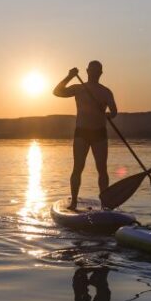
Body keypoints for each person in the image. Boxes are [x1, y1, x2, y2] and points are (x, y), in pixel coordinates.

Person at [53, 61, 117, 209]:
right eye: (92, 71)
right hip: (82, 132)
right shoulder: (79, 88)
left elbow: (114, 111)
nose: (94, 73)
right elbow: (57, 92)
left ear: (101, 73)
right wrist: (69, 76)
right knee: (78, 168)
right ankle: (74, 202)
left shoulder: (106, 92)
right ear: (87, 71)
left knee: (102, 169)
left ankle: (105, 204)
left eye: (97, 71)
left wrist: (109, 114)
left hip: (99, 133)